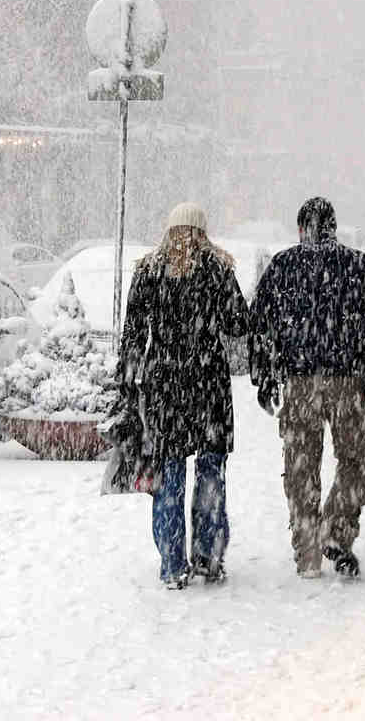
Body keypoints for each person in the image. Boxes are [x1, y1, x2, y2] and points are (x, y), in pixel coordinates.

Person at [248, 197, 365, 580]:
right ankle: (336, 528)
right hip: (346, 384)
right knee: (358, 464)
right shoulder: (356, 265)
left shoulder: (283, 266)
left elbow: (258, 324)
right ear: (333, 226)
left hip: (300, 386)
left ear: (301, 228)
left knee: (300, 471)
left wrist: (263, 374)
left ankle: (308, 551)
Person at [118, 202, 249, 589]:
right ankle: (208, 558)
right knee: (210, 476)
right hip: (208, 386)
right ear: (203, 232)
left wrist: (128, 383)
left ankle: (173, 564)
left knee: (169, 477)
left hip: (165, 389)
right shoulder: (217, 271)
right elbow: (239, 323)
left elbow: (134, 335)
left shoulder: (148, 272)